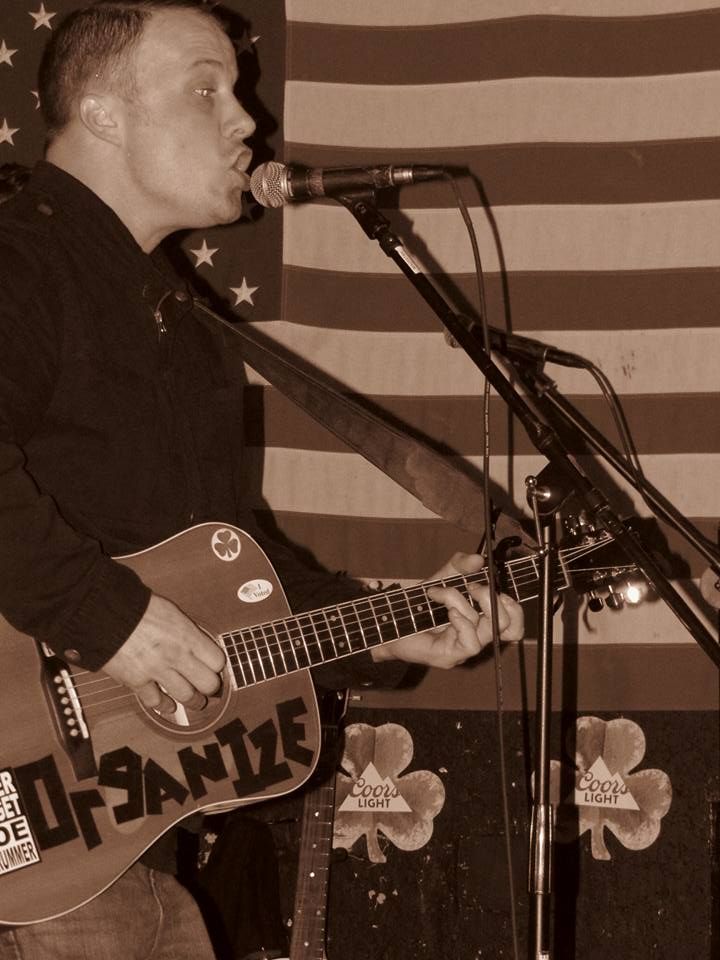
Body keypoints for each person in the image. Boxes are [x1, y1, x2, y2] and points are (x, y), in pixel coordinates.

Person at [0, 2, 524, 958]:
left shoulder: (183, 324)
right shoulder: (20, 264)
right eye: (206, 90)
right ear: (102, 112)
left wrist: (390, 626)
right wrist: (110, 619)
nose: (248, 119)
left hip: (116, 841)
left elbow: (230, 566)